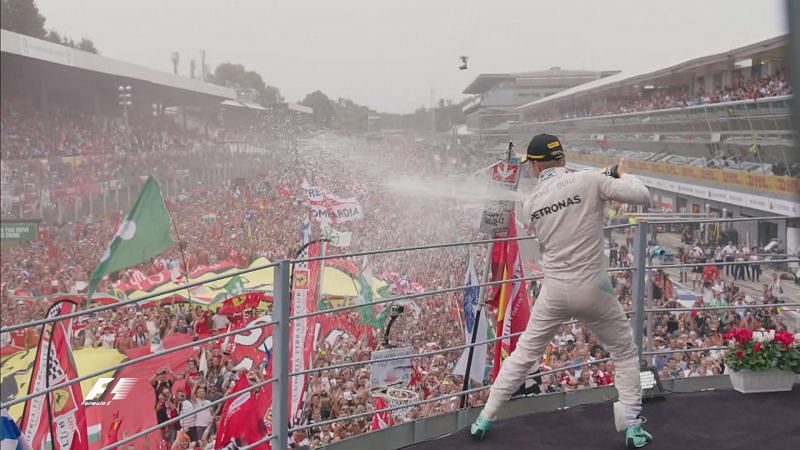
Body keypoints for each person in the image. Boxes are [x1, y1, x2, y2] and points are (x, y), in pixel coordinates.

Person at [470, 134, 653, 448]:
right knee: (624, 353)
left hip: (554, 291)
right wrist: (622, 173)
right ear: (562, 158)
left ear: (538, 165)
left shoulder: (530, 204)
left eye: (531, 165)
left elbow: (554, 216)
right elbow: (642, 195)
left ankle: (484, 418)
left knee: (523, 355)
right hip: (595, 288)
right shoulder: (590, 180)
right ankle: (632, 427)